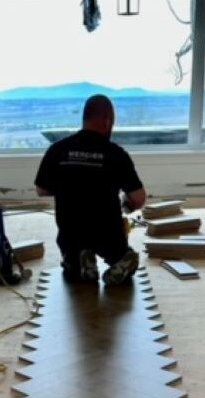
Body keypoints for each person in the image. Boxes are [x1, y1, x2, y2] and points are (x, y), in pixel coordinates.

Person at [34, 94, 147, 285]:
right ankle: (121, 261)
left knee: (72, 249)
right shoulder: (116, 154)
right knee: (122, 252)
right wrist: (126, 203)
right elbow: (139, 198)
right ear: (107, 121)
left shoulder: (58, 149)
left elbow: (41, 190)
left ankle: (79, 259)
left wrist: (68, 186)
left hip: (71, 232)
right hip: (107, 233)